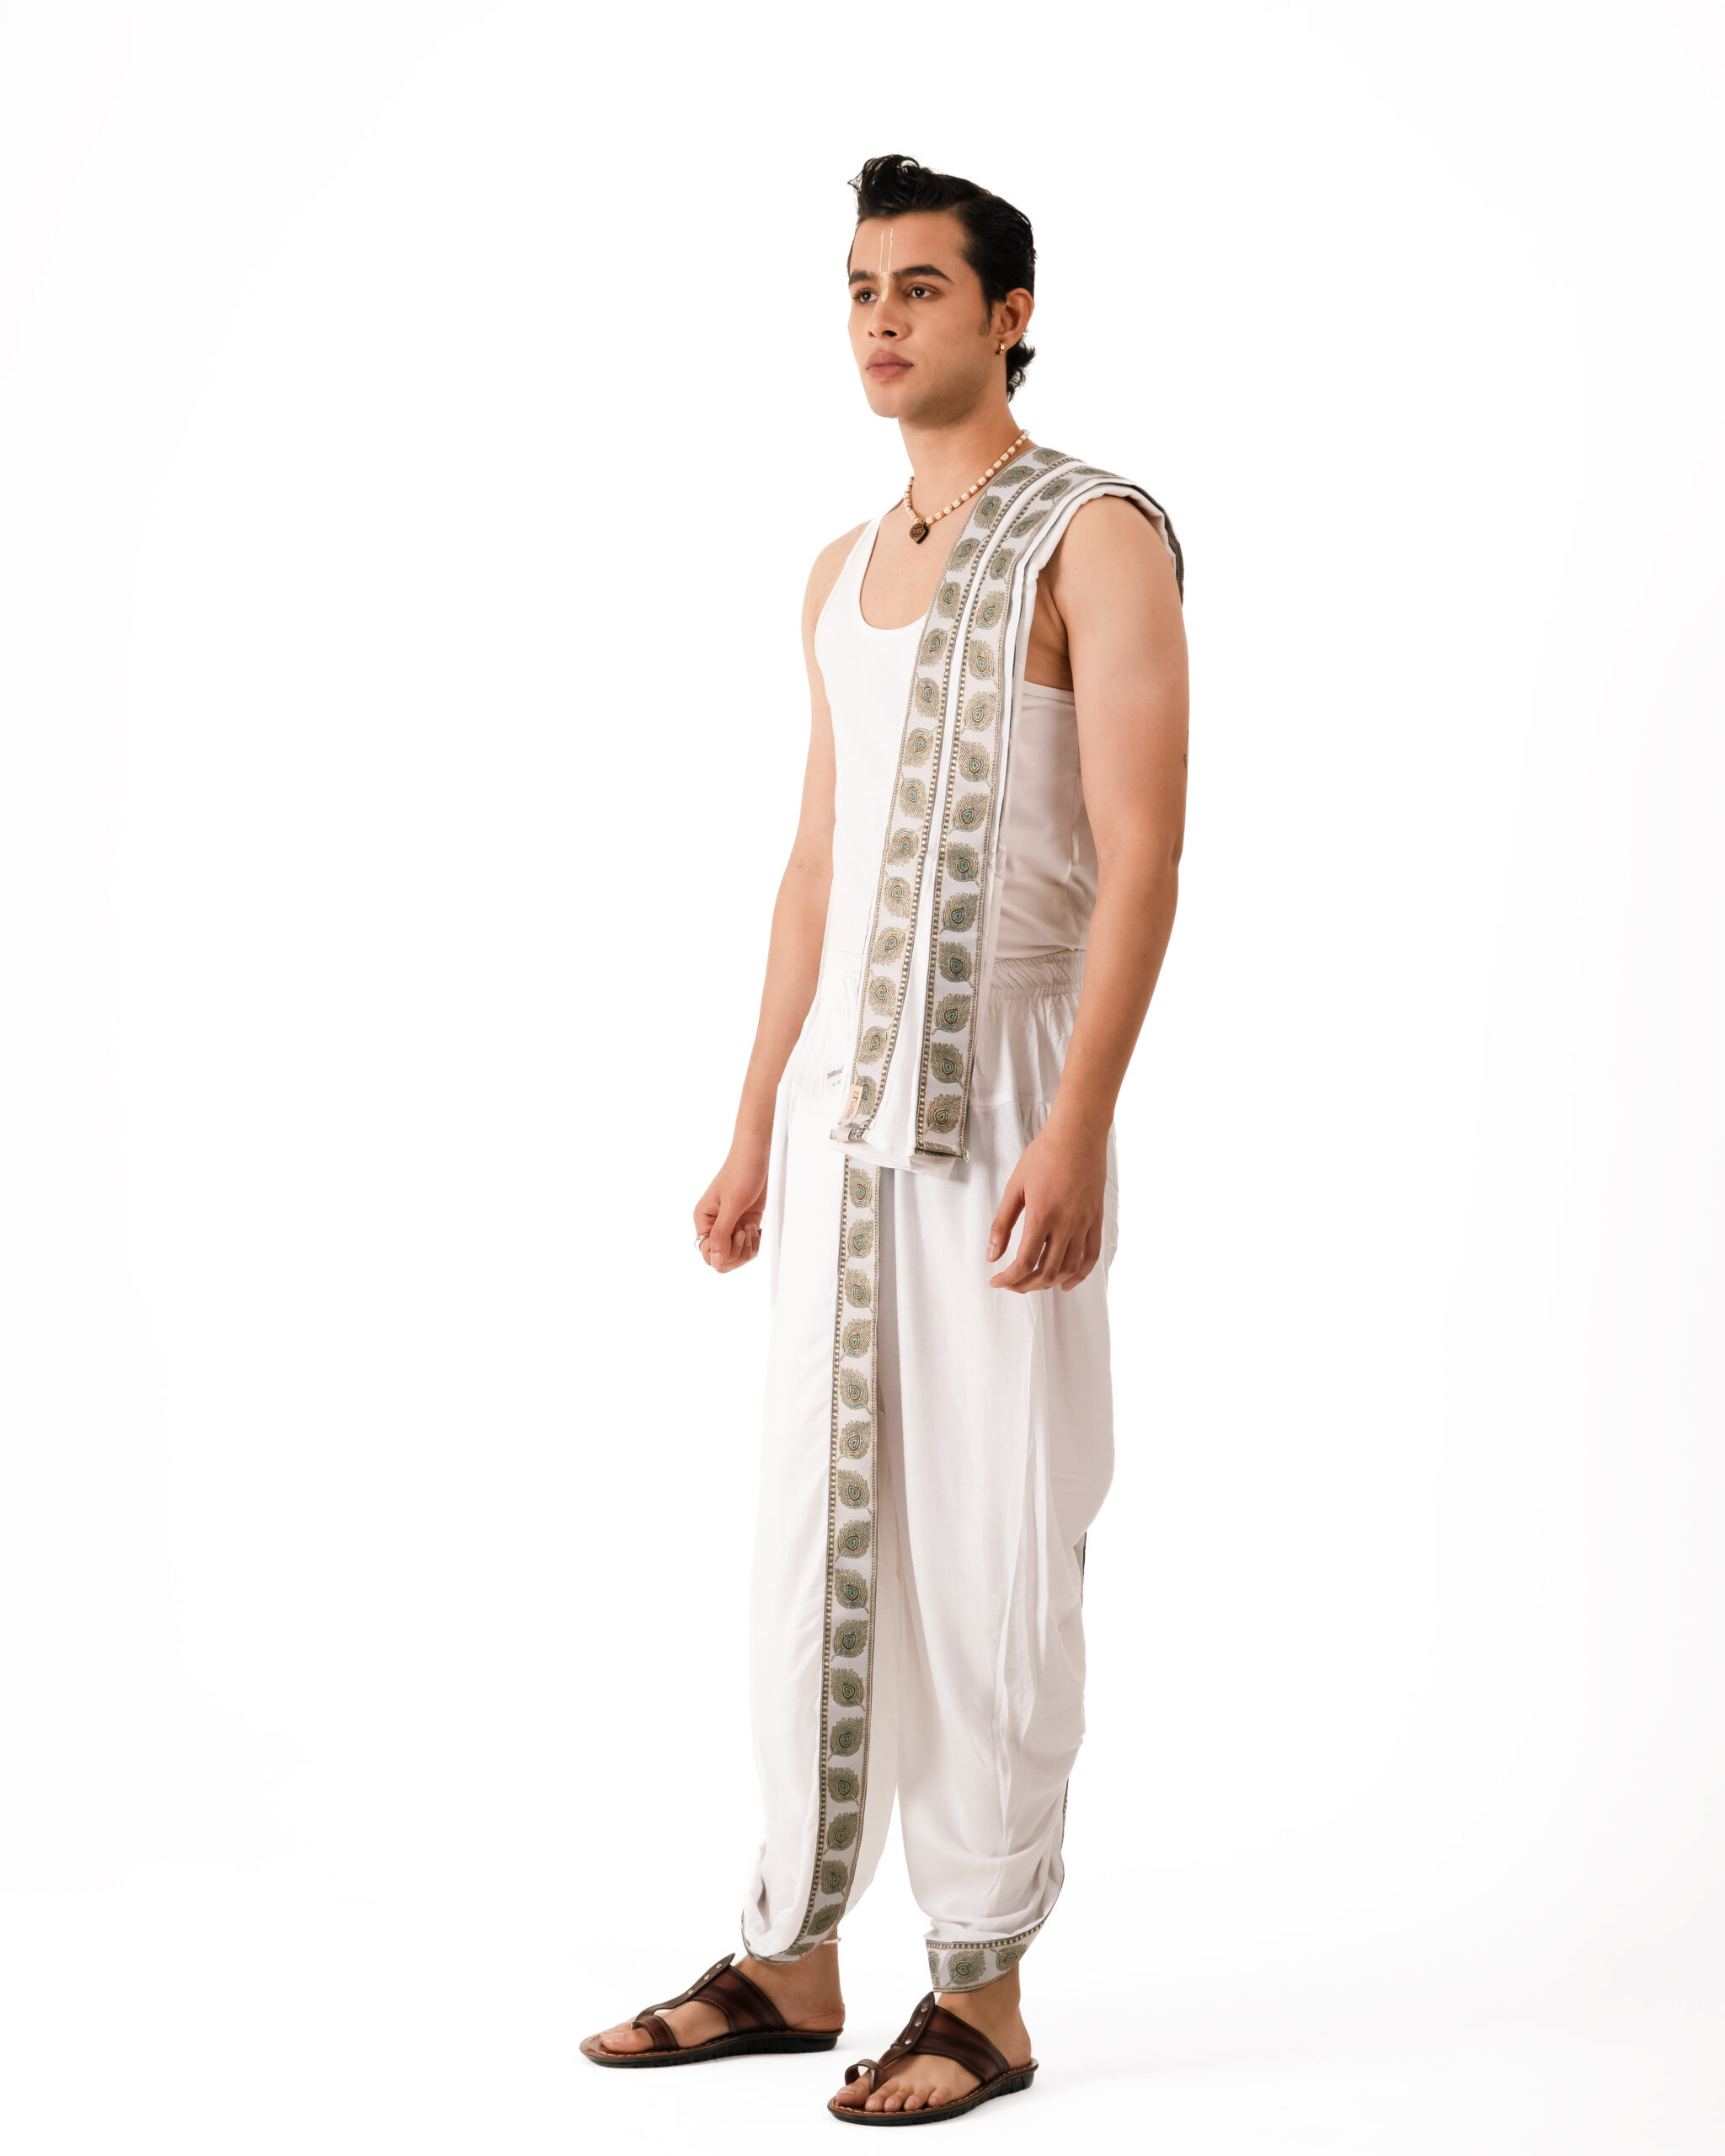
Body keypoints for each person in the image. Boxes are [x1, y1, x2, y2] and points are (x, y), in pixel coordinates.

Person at [581, 152, 1188, 2126]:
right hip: (839, 1114)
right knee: (813, 1535)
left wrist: (1077, 1123)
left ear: (1010, 313)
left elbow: (1143, 856)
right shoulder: (838, 568)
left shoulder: (1097, 533)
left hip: (1005, 1096)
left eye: (919, 287)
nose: (879, 319)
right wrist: (752, 1116)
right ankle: (786, 1952)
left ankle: (983, 1988)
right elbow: (815, 862)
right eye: (859, 288)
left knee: (994, 1538)